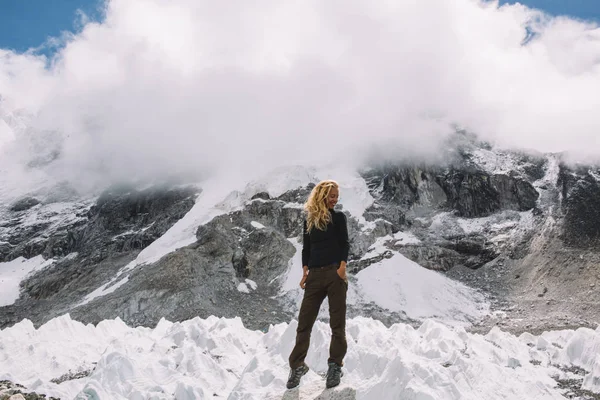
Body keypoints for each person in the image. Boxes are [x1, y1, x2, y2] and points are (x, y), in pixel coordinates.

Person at [286, 180, 349, 390]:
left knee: (337, 324)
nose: (335, 199)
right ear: (322, 196)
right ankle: (297, 366)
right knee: (304, 323)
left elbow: (344, 244)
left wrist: (341, 269)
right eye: (332, 196)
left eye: (337, 196)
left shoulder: (339, 218)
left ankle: (335, 365)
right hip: (314, 276)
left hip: (334, 273)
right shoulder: (310, 220)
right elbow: (307, 248)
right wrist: (305, 270)